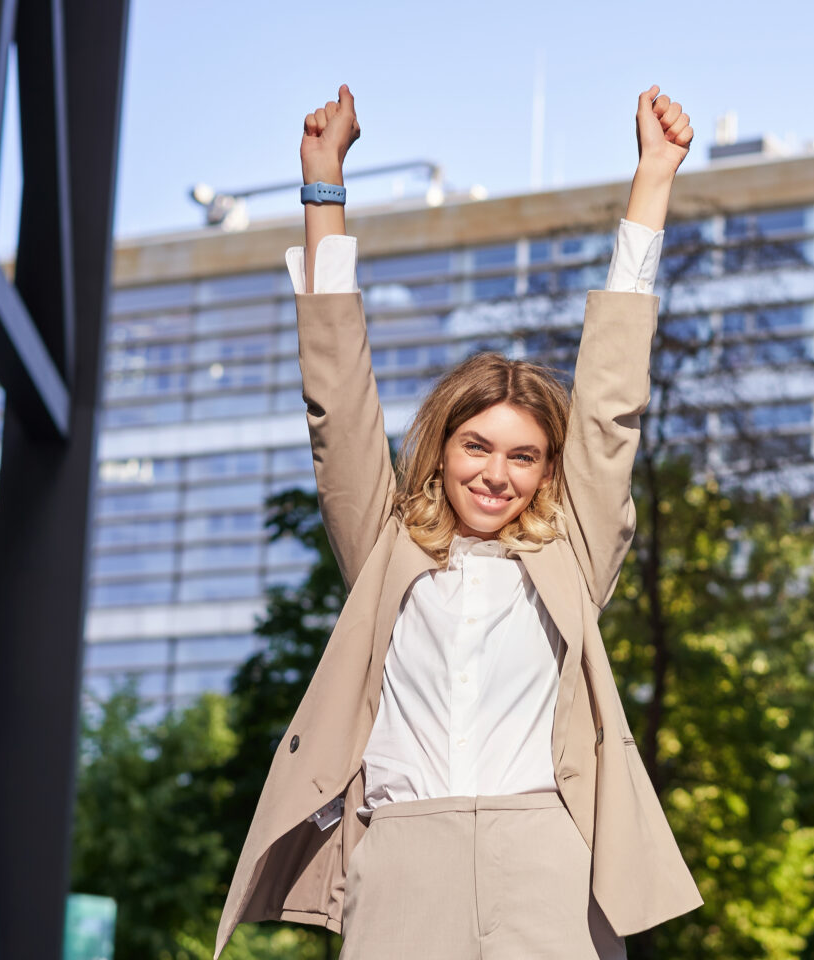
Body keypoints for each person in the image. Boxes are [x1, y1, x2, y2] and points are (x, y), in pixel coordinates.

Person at [211, 83, 702, 960]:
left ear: (548, 470)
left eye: (524, 456)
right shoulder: (386, 548)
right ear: (441, 448)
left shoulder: (568, 555)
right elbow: (337, 403)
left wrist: (652, 181)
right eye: (478, 446)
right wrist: (324, 189)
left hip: (546, 859)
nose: (497, 473)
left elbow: (612, 407)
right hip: (403, 861)